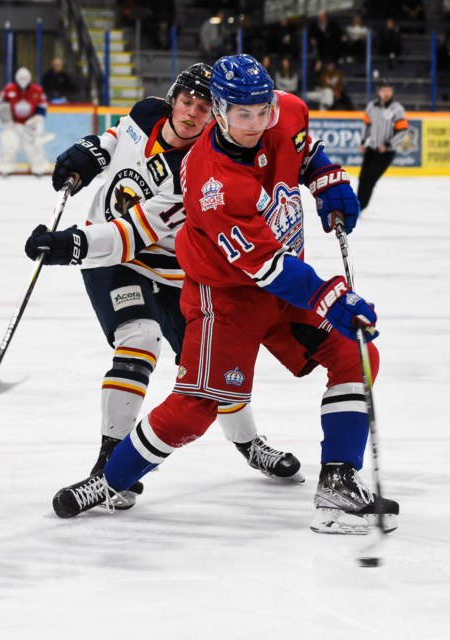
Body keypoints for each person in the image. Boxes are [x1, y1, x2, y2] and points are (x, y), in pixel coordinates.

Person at [50, 54, 399, 536]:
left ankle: (338, 480)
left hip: (283, 287)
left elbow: (303, 146)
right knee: (196, 409)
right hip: (226, 297)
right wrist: (331, 298)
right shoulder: (211, 182)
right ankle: (111, 480)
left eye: (263, 111)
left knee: (358, 358)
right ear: (220, 111)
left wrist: (326, 178)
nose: (257, 123)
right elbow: (265, 267)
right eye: (243, 114)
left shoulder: (287, 110)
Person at [24, 63, 304, 512]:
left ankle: (249, 443)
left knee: (210, 370)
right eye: (186, 102)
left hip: (168, 268)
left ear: (216, 115)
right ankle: (110, 463)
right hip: (111, 262)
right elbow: (121, 135)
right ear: (172, 98)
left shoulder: (197, 170)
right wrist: (94, 149)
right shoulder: (146, 113)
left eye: (202, 108)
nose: (192, 114)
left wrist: (68, 244)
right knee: (138, 337)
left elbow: (133, 232)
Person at [357, 79, 409, 212]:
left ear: (392, 92)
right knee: (363, 178)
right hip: (371, 149)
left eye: (389, 90)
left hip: (386, 153)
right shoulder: (371, 106)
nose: (386, 93)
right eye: (383, 90)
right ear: (379, 91)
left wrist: (388, 144)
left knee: (369, 179)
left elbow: (403, 131)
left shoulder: (397, 109)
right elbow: (366, 125)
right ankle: (357, 205)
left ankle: (360, 206)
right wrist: (363, 141)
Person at [0, 67, 51, 176]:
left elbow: (42, 105)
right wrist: (5, 117)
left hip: (29, 125)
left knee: (33, 145)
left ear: (29, 78)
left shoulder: (37, 90)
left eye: (25, 78)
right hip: (13, 124)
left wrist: (37, 118)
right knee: (9, 144)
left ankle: (39, 168)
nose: (23, 80)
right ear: (16, 78)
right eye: (21, 77)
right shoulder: (9, 89)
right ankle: (5, 168)